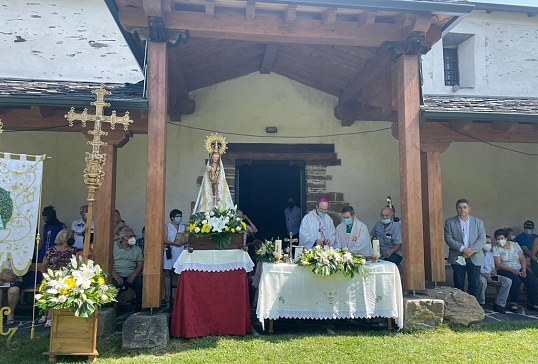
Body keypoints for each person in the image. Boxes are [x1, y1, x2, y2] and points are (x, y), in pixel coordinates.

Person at [444, 199, 485, 302]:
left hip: (474, 256)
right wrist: (463, 249)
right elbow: (448, 238)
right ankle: (460, 308)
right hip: (457, 256)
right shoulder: (450, 222)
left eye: (464, 207)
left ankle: (474, 308)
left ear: (469, 209)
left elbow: (482, 239)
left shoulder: (478, 222)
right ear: (456, 209)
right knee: (458, 283)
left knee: (474, 283)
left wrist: (471, 251)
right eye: (459, 207)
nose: (462, 209)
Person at [493, 228, 538, 312]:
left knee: (532, 281)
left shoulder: (515, 245)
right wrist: (512, 270)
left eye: (502, 238)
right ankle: (513, 303)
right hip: (505, 270)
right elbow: (498, 263)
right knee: (516, 280)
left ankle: (532, 303)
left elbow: (522, 259)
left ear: (506, 238)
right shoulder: (496, 248)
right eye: (498, 239)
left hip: (519, 268)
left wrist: (524, 269)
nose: (500, 241)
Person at [40, 229, 78, 328]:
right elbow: (43, 265)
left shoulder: (73, 251)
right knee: (49, 288)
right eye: (71, 238)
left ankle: (49, 318)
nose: (73, 240)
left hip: (66, 278)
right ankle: (45, 315)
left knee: (57, 290)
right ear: (65, 238)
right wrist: (46, 277)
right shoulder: (51, 250)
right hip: (52, 276)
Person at [112, 228, 144, 312]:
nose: (132, 238)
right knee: (110, 286)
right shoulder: (113, 248)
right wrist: (117, 277)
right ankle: (111, 309)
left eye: (133, 236)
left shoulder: (137, 249)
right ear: (123, 238)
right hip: (117, 275)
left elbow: (140, 264)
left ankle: (139, 309)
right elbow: (109, 264)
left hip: (131, 274)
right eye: (130, 236)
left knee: (140, 283)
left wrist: (133, 275)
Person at [478, 235, 511, 313]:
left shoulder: (490, 254)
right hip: (480, 275)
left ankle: (499, 304)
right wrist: (486, 276)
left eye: (490, 243)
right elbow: (476, 270)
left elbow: (493, 268)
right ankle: (481, 303)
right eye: (487, 243)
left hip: (490, 275)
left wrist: (494, 276)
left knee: (507, 281)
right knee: (482, 281)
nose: (489, 245)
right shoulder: (476, 254)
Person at [163, 209, 187, 305]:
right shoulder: (167, 227)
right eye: (177, 216)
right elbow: (164, 239)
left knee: (179, 273)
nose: (179, 218)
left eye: (180, 216)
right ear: (172, 218)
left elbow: (187, 239)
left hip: (180, 250)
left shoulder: (183, 227)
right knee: (168, 273)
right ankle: (167, 295)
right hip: (169, 250)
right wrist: (173, 243)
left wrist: (182, 242)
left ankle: (178, 295)